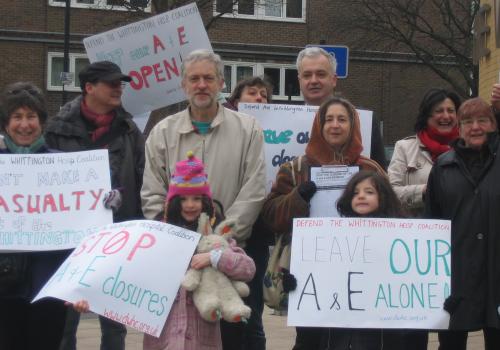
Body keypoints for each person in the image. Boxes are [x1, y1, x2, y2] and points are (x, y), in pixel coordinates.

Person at [140, 49, 266, 350]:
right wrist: (179, 244)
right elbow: (152, 194)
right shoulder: (162, 133)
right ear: (184, 85)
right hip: (179, 263)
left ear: (221, 82)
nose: (201, 85)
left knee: (234, 338)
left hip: (231, 256)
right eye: (194, 79)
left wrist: (219, 241)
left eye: (208, 78)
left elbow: (254, 188)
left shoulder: (248, 129)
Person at [73, 152, 256, 350]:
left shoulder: (215, 238)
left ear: (206, 202)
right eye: (184, 199)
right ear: (174, 202)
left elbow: (248, 269)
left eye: (196, 198)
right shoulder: (156, 238)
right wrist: (90, 298)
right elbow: (123, 277)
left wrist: (215, 257)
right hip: (163, 341)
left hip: (202, 342)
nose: (190, 205)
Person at [261, 96, 385, 350]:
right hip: (310, 278)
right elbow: (271, 216)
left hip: (359, 274)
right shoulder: (294, 169)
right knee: (310, 341)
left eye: (342, 119)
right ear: (319, 125)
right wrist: (298, 197)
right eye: (328, 119)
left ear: (353, 125)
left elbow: (392, 215)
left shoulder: (369, 168)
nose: (335, 125)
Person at [44, 60, 145, 350]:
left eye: (120, 83)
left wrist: (124, 198)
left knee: (114, 322)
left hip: (116, 237)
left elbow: (141, 177)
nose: (119, 88)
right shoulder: (57, 130)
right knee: (65, 320)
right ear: (89, 87)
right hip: (69, 241)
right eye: (111, 83)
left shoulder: (129, 131)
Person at [425, 97, 500, 350]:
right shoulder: (443, 168)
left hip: (496, 274)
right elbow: (431, 222)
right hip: (456, 277)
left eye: (482, 120)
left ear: (493, 124)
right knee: (451, 343)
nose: (475, 127)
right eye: (467, 122)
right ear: (459, 127)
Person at [0, 82, 68, 349]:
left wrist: (109, 196)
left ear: (42, 122)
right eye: (17, 117)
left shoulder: (64, 165)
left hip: (48, 285)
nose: (25, 124)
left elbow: (88, 199)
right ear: (6, 123)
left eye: (31, 116)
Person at [320, 170, 407, 349]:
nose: (361, 196)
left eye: (369, 192)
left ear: (384, 197)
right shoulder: (336, 236)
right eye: (355, 192)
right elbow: (323, 276)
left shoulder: (402, 235)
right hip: (346, 327)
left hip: (386, 329)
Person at [296, 47, 387, 169]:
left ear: (334, 80)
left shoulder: (367, 121)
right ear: (299, 81)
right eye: (307, 75)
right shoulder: (281, 121)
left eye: (321, 74)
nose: (313, 80)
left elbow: (380, 177)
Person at [388, 88, 461, 217]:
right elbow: (389, 193)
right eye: (439, 111)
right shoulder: (404, 148)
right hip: (420, 232)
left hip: (459, 229)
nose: (446, 116)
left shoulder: (466, 148)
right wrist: (423, 192)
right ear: (426, 116)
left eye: (451, 111)